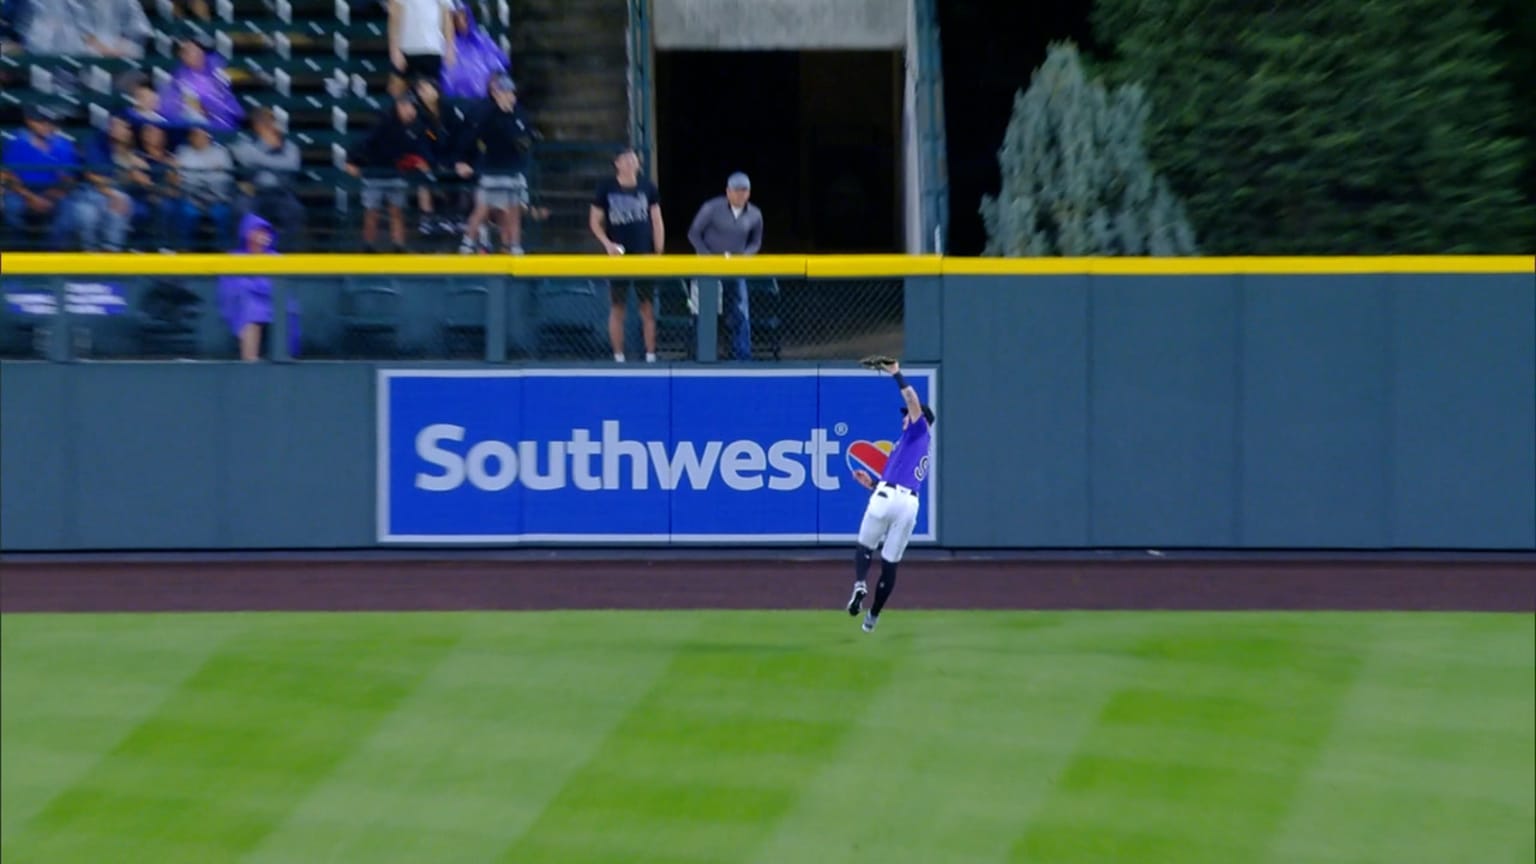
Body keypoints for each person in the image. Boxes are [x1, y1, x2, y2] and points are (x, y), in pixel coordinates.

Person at [845, 358, 935, 633]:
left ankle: (860, 584)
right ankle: (872, 616)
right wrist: (872, 483)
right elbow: (900, 483)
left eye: (907, 414)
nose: (904, 417)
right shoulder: (912, 446)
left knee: (864, 546)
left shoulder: (919, 430)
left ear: (920, 418)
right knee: (890, 564)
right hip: (909, 504)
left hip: (888, 498)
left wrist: (896, 373)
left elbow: (911, 398)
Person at [589, 147, 664, 363]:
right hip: (618, 257)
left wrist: (657, 251)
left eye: (634, 160)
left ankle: (650, 355)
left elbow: (657, 220)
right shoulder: (606, 188)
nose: (632, 163)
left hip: (644, 254)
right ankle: (618, 356)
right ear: (617, 163)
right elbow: (594, 221)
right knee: (618, 307)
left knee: (647, 307)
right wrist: (607, 244)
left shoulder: (647, 187)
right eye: (627, 160)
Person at [686, 171, 763, 360]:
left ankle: (742, 356)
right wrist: (707, 256)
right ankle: (698, 354)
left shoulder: (754, 214)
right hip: (707, 269)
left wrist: (745, 257)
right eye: (736, 190)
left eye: (744, 191)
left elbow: (756, 242)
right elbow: (694, 234)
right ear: (727, 191)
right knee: (702, 313)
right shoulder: (711, 208)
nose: (740, 194)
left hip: (735, 269)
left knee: (740, 312)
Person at [454, 73, 534, 254]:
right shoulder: (486, 113)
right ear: (496, 93)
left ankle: (514, 245)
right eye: (505, 92)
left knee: (513, 210)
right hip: (492, 169)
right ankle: (468, 243)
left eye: (511, 93)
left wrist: (523, 143)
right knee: (482, 208)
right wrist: (463, 161)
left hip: (514, 169)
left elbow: (526, 136)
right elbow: (471, 138)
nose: (510, 96)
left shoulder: (519, 113)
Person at [346, 94, 434, 253]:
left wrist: (424, 161)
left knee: (397, 211)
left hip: (396, 173)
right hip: (375, 172)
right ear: (400, 106)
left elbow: (420, 148)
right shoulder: (382, 121)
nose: (412, 112)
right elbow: (363, 141)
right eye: (409, 108)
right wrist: (351, 161)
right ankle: (368, 246)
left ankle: (399, 246)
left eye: (414, 109)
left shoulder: (415, 126)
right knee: (372, 211)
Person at [218, 213, 301, 360]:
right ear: (247, 233)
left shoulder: (276, 258)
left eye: (266, 231)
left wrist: (261, 288)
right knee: (251, 312)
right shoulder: (234, 257)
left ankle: (284, 358)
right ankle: (250, 361)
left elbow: (280, 286)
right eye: (258, 231)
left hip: (272, 299)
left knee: (289, 309)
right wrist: (255, 288)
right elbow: (231, 288)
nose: (263, 235)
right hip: (244, 301)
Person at [439, 0, 507, 102]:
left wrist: (495, 87)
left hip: (483, 102)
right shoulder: (440, 44)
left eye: (464, 17)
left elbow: (498, 70)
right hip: (452, 103)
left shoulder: (482, 41)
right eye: (455, 18)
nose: (461, 22)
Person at [389, 0, 454, 83]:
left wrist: (449, 48)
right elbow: (394, 17)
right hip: (406, 49)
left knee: (430, 91)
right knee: (401, 91)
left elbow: (447, 18)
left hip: (433, 49)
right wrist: (395, 50)